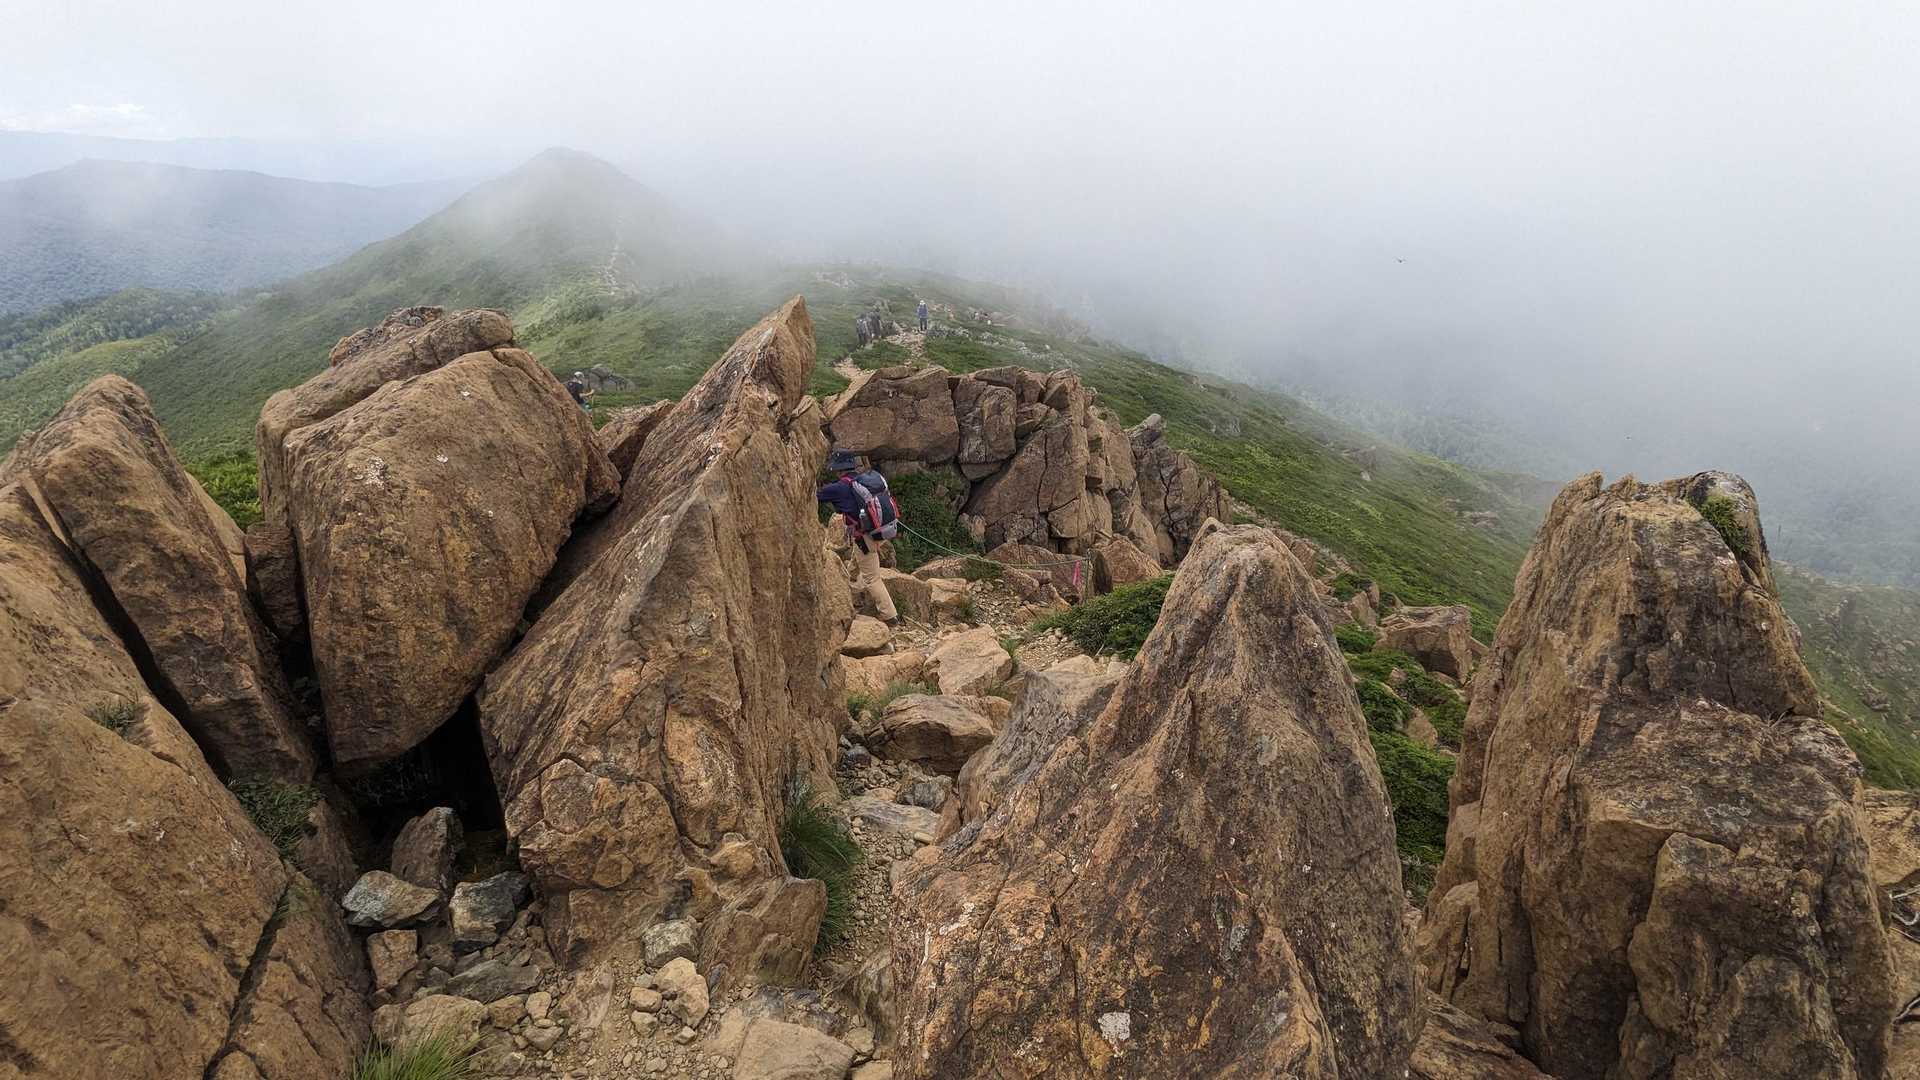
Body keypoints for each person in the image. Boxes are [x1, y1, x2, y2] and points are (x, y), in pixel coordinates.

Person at [817, 448, 900, 623]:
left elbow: (814, 495)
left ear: (838, 470)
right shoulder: (864, 481)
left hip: (865, 537)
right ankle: (850, 591)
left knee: (872, 578)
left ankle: (889, 615)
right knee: (856, 563)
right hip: (880, 531)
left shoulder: (838, 488)